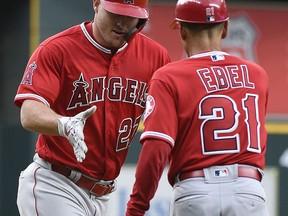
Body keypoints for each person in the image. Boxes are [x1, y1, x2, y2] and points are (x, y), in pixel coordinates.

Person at [14, 0, 171, 215]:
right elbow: (29, 112)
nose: (122, 23)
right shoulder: (57, 49)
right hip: (55, 184)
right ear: (97, 4)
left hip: (103, 195)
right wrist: (63, 124)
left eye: (130, 15)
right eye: (115, 13)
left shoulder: (156, 57)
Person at [126, 0, 269, 215]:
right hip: (248, 191)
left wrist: (137, 206)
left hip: (196, 191)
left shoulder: (169, 76)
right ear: (226, 28)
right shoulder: (258, 75)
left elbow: (157, 147)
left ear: (182, 30)